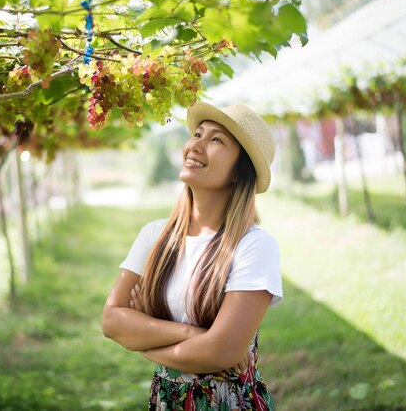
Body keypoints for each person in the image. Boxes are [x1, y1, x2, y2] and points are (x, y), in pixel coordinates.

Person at [102, 101, 283, 410]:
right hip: (166, 402)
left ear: (240, 173)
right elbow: (112, 321)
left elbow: (221, 352)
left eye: (216, 140)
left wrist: (144, 345)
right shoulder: (155, 235)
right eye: (198, 134)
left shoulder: (253, 246)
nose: (195, 145)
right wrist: (192, 334)